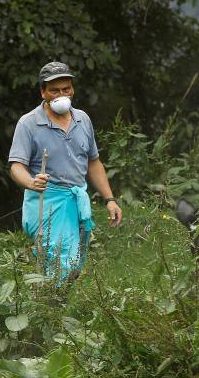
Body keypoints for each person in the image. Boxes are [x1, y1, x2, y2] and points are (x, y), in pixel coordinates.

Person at [8, 61, 122, 279]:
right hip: (46, 203)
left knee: (74, 268)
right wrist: (31, 182)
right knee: (60, 263)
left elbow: (93, 162)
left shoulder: (82, 119)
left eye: (66, 89)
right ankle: (49, 308)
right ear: (43, 92)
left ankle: (53, 307)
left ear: (72, 89)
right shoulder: (28, 124)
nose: (61, 94)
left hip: (77, 201)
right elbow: (16, 167)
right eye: (54, 90)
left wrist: (110, 199)